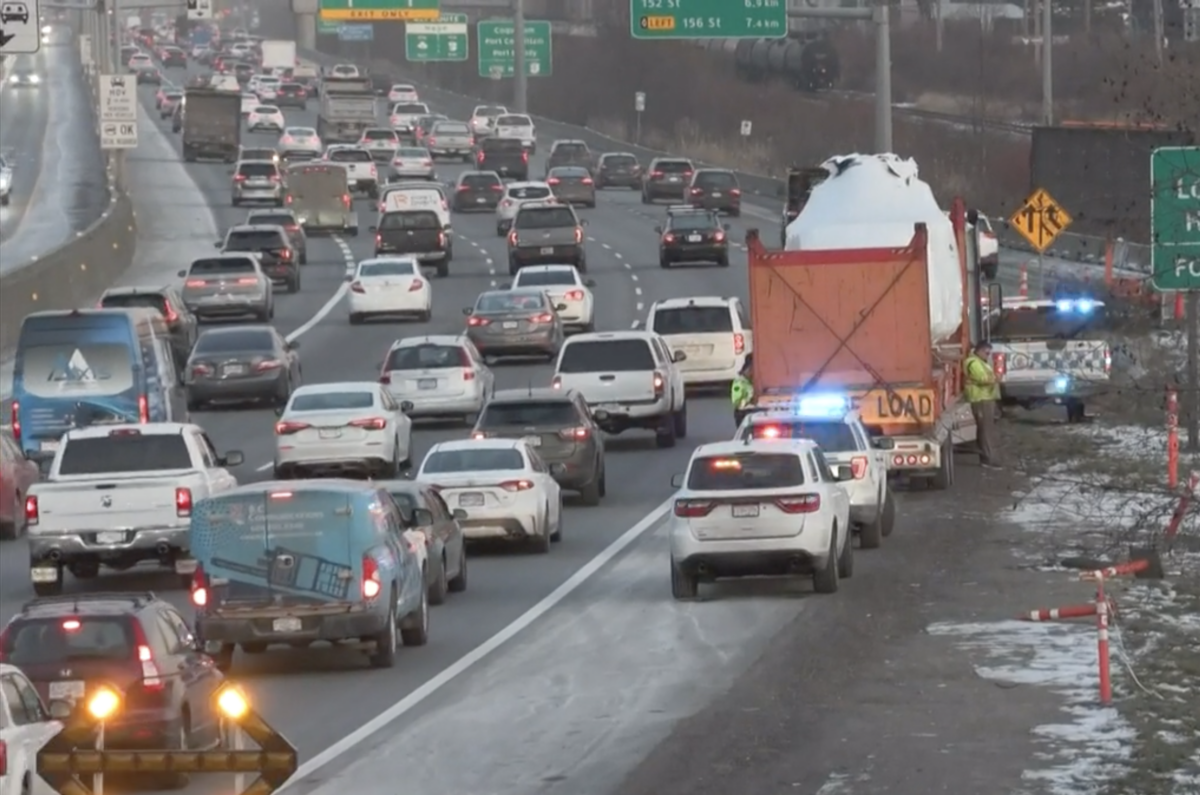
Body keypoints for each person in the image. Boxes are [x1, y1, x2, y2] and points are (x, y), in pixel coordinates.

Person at [964, 341, 1001, 468]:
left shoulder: (980, 362)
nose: (988, 355)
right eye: (986, 352)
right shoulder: (973, 363)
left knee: (985, 430)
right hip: (980, 399)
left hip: (985, 399)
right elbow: (982, 379)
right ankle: (987, 458)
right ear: (979, 350)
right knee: (985, 431)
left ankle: (987, 457)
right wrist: (996, 378)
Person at [731, 354, 754, 427]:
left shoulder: (753, 381)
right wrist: (748, 399)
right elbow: (737, 402)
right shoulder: (739, 382)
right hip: (743, 412)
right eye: (751, 369)